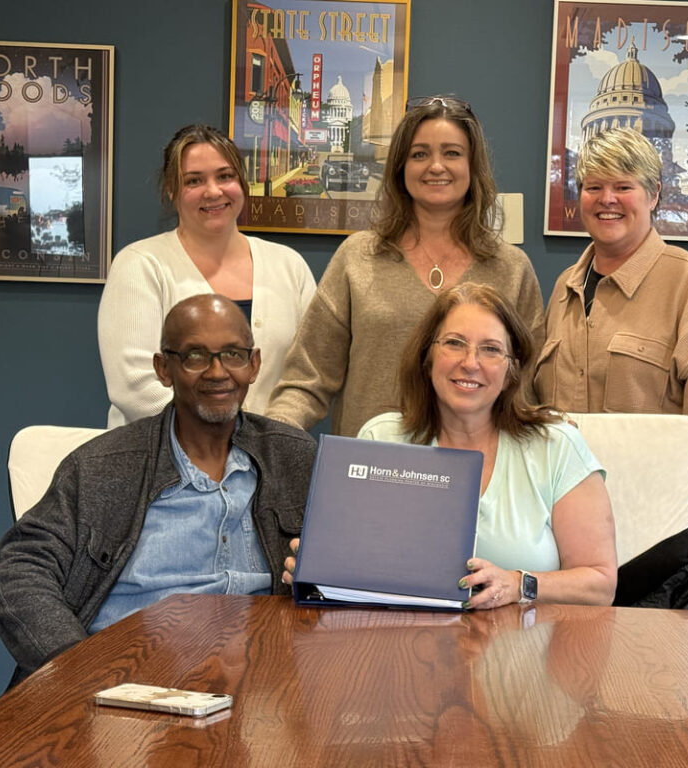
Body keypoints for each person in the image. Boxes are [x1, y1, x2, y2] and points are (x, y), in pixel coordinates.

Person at [0, 295, 315, 680]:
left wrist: (322, 582)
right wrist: (74, 666)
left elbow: (350, 574)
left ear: (253, 365)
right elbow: (17, 568)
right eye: (195, 356)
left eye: (233, 355)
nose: (217, 371)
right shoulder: (101, 466)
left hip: (261, 679)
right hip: (124, 680)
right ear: (163, 368)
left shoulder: (294, 458)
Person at [285, 283, 618, 608]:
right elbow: (351, 565)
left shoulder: (556, 446)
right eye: (455, 343)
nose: (470, 362)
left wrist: (518, 584)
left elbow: (600, 583)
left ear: (512, 369)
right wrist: (317, 568)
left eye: (491, 349)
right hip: (401, 639)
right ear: (428, 356)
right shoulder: (381, 438)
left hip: (523, 641)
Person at [533, 128, 688, 603]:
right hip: (586, 548)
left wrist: (671, 531)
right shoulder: (565, 290)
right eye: (593, 186)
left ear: (654, 195)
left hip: (685, 546)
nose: (607, 199)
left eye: (624, 186)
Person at [265, 97, 544, 438]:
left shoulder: (512, 269)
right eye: (419, 154)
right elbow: (307, 378)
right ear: (400, 167)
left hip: (477, 464)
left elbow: (529, 386)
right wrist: (271, 438)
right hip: (370, 461)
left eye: (452, 153)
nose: (436, 166)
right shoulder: (357, 258)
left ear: (473, 166)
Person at [98, 124, 315, 428]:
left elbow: (307, 373)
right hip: (161, 453)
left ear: (242, 182)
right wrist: (227, 439)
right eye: (194, 180)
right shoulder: (140, 265)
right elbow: (135, 387)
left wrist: (270, 439)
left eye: (225, 176)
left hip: (270, 451)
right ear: (172, 190)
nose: (213, 191)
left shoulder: (289, 266)